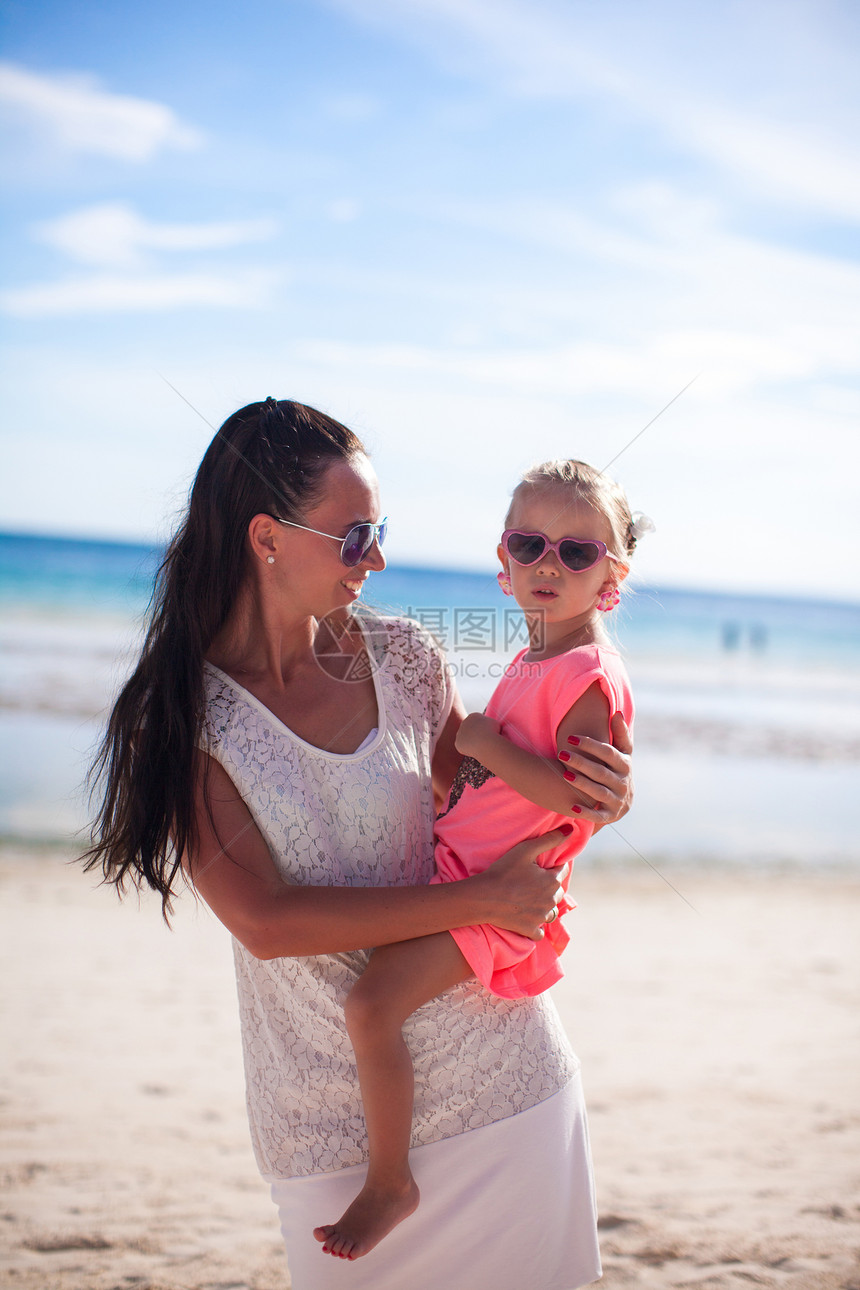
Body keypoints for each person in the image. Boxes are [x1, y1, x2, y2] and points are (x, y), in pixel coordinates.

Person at [84, 399, 634, 1290]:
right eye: (353, 536)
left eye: (378, 531)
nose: (376, 559)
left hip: (507, 1083)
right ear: (267, 536)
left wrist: (599, 791)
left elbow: (491, 797)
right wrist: (481, 901)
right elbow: (266, 920)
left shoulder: (408, 657)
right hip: (329, 1131)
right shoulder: (184, 720)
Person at [318, 459, 644, 1261]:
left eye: (577, 553)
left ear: (612, 575)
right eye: (529, 545)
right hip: (470, 878)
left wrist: (484, 740)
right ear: (502, 561)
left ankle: (391, 1180)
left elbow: (576, 796)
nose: (548, 565)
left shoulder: (586, 674)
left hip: (502, 897)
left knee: (371, 1006)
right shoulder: (542, 658)